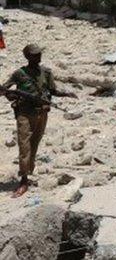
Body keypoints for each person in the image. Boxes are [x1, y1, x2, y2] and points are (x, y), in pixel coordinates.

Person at [1, 44, 76, 198]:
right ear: (28, 57)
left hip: (42, 113)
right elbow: (4, 90)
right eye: (35, 55)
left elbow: (53, 91)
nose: (39, 57)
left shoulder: (46, 73)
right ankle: (23, 180)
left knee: (34, 144)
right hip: (24, 114)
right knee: (24, 145)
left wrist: (67, 94)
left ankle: (28, 172)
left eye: (39, 54)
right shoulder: (19, 74)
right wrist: (12, 96)